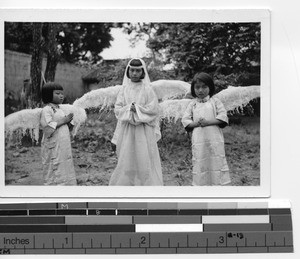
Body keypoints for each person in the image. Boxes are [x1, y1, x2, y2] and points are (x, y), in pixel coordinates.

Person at [109, 58, 163, 186]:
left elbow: (154, 109)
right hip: (127, 129)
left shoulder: (147, 89)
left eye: (138, 71)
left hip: (143, 129)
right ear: (128, 71)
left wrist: (137, 109)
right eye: (132, 70)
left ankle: (144, 184)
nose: (134, 73)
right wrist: (129, 109)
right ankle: (129, 183)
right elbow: (118, 108)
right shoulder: (124, 90)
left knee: (144, 157)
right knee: (127, 156)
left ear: (142, 72)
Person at [181, 72, 231, 186]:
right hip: (199, 140)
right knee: (200, 161)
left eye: (204, 87)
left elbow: (223, 117)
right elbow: (185, 120)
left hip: (214, 139)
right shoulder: (192, 104)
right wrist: (197, 124)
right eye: (197, 87)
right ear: (193, 89)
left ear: (210, 87)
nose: (201, 90)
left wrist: (208, 122)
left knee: (216, 161)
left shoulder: (215, 102)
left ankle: (217, 187)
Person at [40, 82, 77, 185]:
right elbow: (47, 128)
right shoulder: (46, 110)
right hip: (54, 144)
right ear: (48, 94)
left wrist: (70, 123)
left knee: (65, 163)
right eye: (57, 93)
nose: (61, 96)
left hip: (63, 143)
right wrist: (64, 120)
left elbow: (66, 126)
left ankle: (67, 184)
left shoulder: (61, 109)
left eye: (62, 93)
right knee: (55, 166)